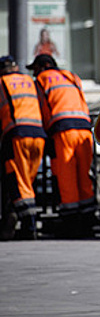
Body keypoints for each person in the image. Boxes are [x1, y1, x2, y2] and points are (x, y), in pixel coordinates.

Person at [26, 54, 96, 238]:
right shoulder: (71, 76)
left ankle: (71, 225)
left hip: (63, 131)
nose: (35, 74)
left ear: (44, 66)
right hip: (85, 130)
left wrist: (47, 133)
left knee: (67, 180)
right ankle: (88, 221)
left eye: (35, 69)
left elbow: (43, 108)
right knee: (84, 177)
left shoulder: (42, 79)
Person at [0, 55, 47, 240]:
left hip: (17, 134)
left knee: (18, 182)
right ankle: (27, 223)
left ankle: (29, 226)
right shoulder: (29, 81)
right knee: (29, 181)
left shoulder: (2, 82)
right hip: (38, 135)